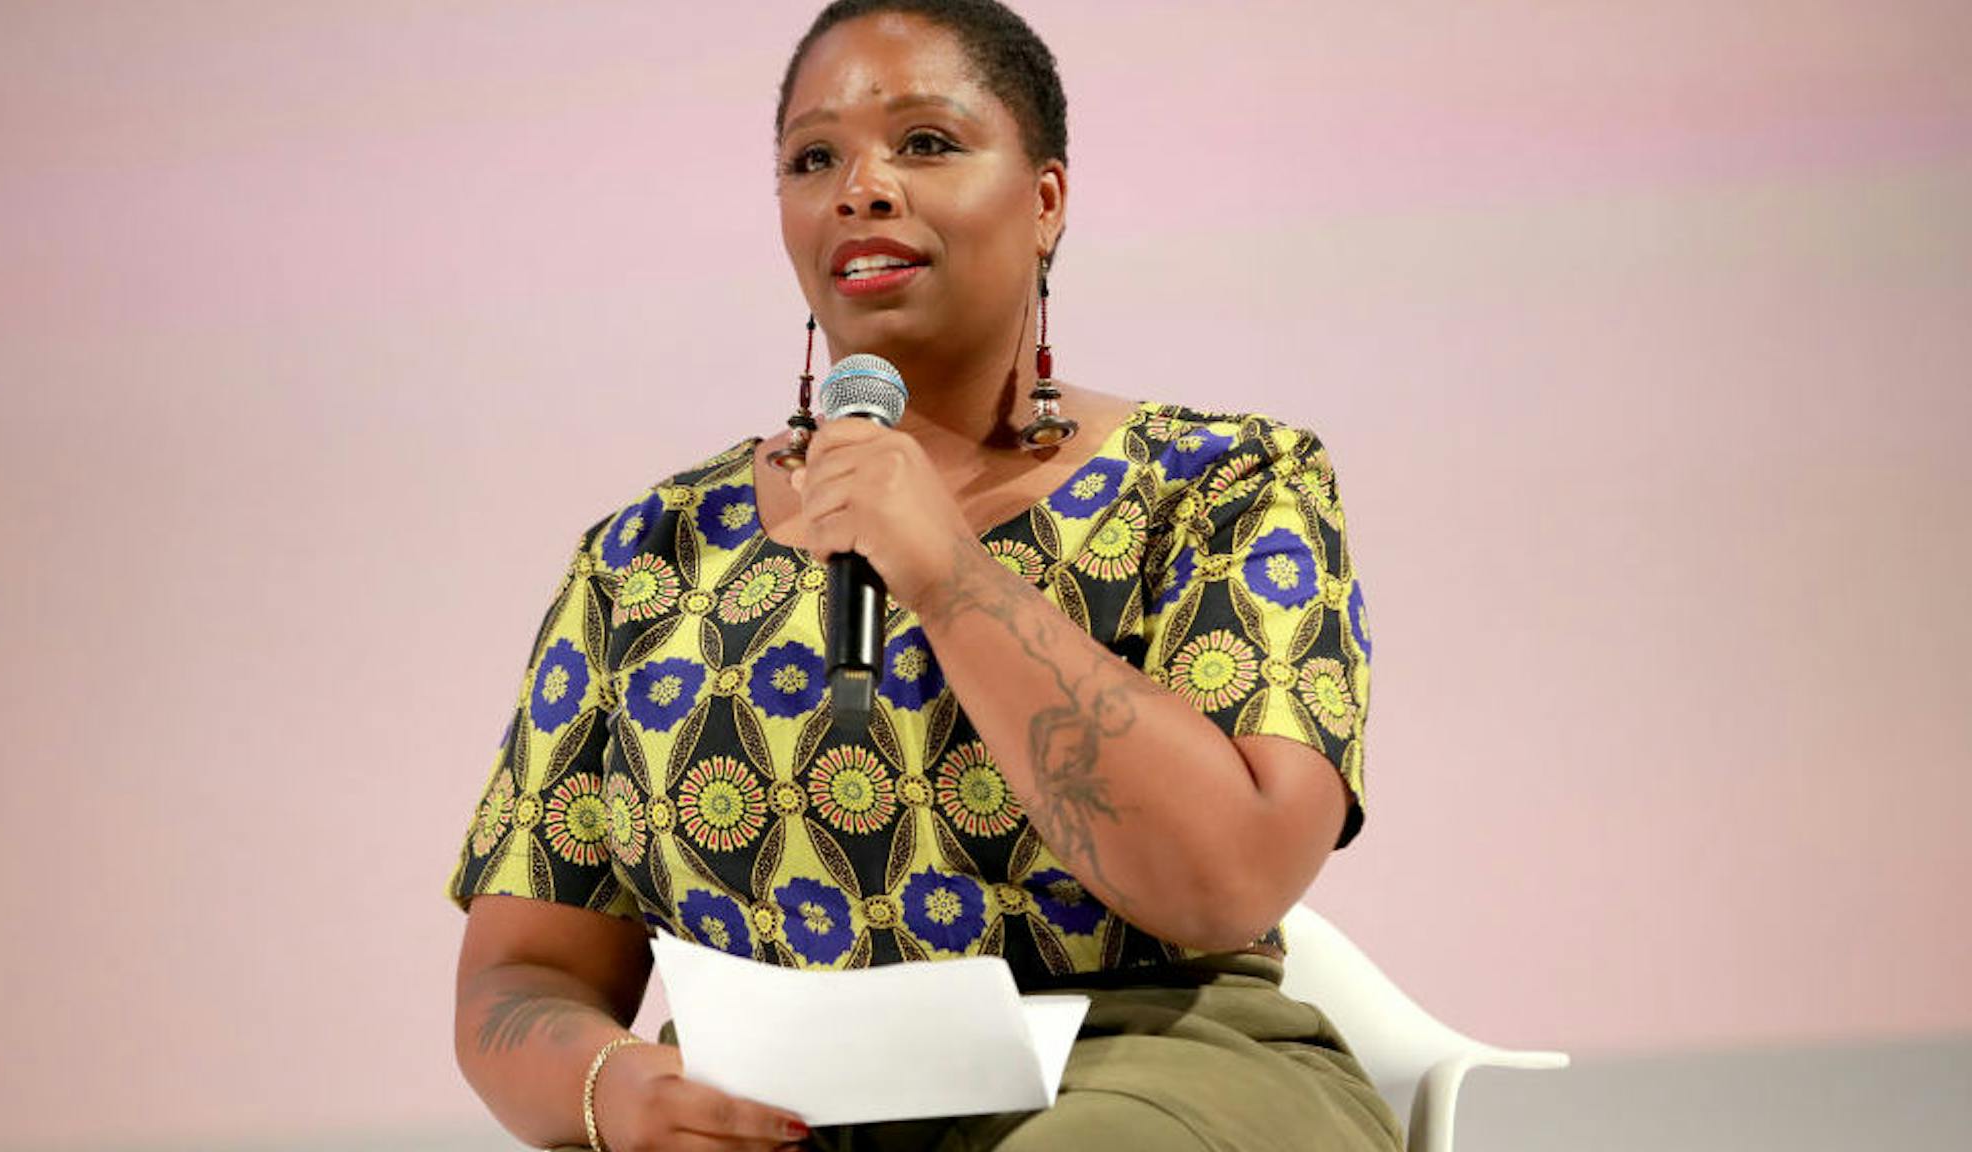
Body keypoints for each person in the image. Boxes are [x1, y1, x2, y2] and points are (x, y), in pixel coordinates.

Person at [447, 2, 1394, 1149]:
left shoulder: (1223, 486)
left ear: (1044, 200)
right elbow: (520, 977)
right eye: (813, 158)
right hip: (782, 1116)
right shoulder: (641, 559)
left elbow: (1227, 879)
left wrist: (944, 569)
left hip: (1144, 1076)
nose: (861, 188)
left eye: (926, 143)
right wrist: (614, 1090)